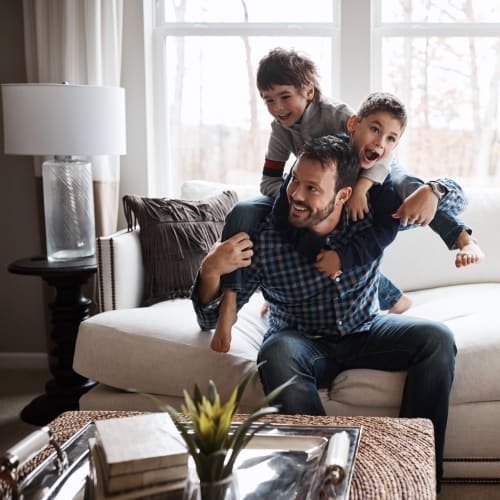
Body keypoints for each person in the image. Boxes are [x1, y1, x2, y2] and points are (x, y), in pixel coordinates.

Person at [191, 135, 456, 489]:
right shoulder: (266, 236)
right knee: (276, 352)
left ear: (343, 195)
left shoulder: (369, 217)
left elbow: (455, 203)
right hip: (301, 342)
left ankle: (416, 475)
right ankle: (325, 483)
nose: (296, 195)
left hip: (367, 329)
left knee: (438, 339)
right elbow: (209, 320)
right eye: (294, 181)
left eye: (312, 188)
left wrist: (435, 190)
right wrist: (210, 269)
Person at [211, 47, 482, 353]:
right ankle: (231, 297)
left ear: (309, 90)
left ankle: (461, 238)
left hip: (370, 178)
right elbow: (268, 181)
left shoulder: (338, 116)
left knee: (410, 190)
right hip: (318, 197)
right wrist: (297, 196)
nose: (277, 107)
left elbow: (375, 152)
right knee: (245, 211)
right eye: (268, 100)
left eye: (285, 97)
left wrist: (363, 188)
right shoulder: (280, 130)